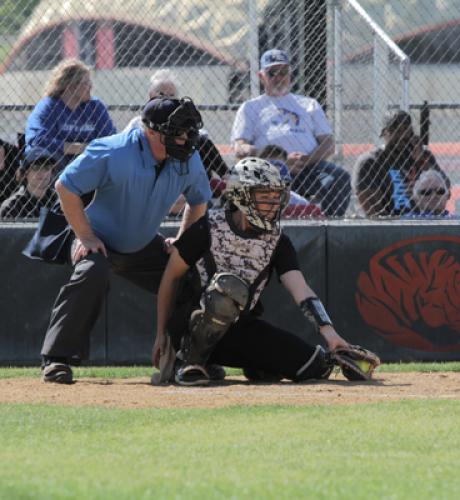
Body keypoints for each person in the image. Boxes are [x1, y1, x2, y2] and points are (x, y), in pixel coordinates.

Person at [40, 96, 212, 384]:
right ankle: (56, 360)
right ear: (151, 131)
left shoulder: (188, 158)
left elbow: (199, 203)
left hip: (143, 244)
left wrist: (181, 243)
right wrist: (85, 235)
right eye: (177, 132)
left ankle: (191, 359)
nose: (184, 140)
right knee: (92, 271)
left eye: (188, 132)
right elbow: (64, 187)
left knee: (190, 277)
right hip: (98, 240)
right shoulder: (113, 151)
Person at [152, 157, 352, 387]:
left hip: (238, 329)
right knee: (227, 290)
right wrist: (161, 334)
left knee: (314, 367)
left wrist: (330, 334)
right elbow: (171, 277)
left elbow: (302, 290)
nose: (273, 204)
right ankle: (189, 360)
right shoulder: (208, 227)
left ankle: (255, 365)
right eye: (264, 197)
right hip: (190, 325)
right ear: (240, 195)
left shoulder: (277, 240)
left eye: (276, 197)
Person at [230, 48, 351, 217]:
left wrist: (307, 160)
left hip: (307, 169)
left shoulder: (309, 104)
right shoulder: (250, 107)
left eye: (283, 72)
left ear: (290, 74)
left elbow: (328, 144)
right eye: (272, 73)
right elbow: (239, 147)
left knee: (339, 177)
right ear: (261, 76)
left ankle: (328, 224)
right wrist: (277, 159)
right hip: (267, 170)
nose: (278, 77)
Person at [124, 69, 229, 214]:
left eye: (171, 95)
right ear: (150, 95)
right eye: (161, 94)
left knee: (201, 140)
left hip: (183, 178)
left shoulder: (186, 124)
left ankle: (227, 180)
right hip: (152, 180)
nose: (166, 98)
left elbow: (200, 138)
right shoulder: (138, 123)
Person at [353, 110, 451, 217]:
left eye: (406, 130)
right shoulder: (370, 161)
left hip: (422, 219)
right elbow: (370, 206)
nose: (402, 136)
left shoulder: (422, 156)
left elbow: (446, 188)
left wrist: (420, 160)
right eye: (396, 131)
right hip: (388, 224)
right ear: (385, 133)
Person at [25, 59, 116, 168]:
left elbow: (110, 139)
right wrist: (79, 148)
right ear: (71, 86)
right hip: (55, 167)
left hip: (88, 165)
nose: (90, 87)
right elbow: (36, 140)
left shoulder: (95, 107)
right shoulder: (49, 106)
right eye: (86, 83)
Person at [0, 147, 58, 219]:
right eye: (36, 168)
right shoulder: (11, 206)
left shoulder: (60, 200)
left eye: (47, 168)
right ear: (25, 173)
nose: (42, 173)